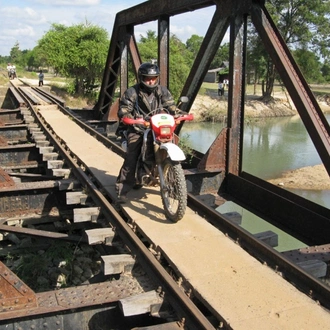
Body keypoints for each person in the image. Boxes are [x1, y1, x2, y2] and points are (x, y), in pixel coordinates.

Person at [115, 62, 179, 202]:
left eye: (154, 78)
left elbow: (171, 106)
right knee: (132, 154)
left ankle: (176, 186)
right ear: (141, 78)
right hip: (138, 128)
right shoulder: (132, 92)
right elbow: (124, 110)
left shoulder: (162, 91)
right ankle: (122, 189)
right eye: (148, 78)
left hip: (157, 127)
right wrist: (131, 119)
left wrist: (179, 114)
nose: (151, 81)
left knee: (174, 141)